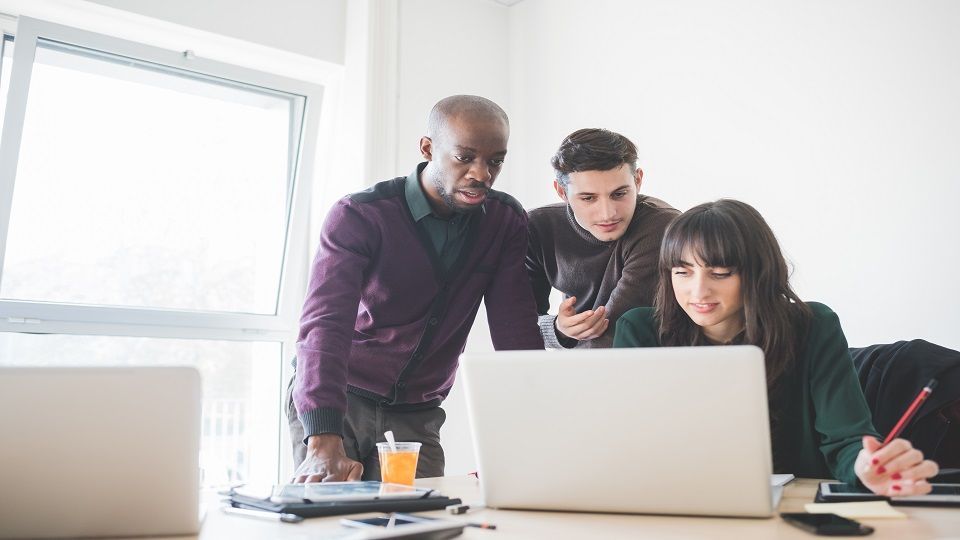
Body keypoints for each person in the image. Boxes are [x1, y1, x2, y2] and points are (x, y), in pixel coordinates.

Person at [287, 95, 544, 483]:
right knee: (333, 523)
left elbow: (515, 329)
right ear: (428, 148)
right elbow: (324, 325)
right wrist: (323, 439)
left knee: (420, 523)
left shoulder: (505, 222)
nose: (482, 174)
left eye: (495, 161)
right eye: (465, 157)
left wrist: (536, 425)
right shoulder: (360, 215)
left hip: (417, 414)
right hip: (339, 400)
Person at [613, 199, 939, 495]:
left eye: (720, 272)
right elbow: (628, 443)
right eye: (682, 272)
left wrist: (867, 466)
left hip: (791, 506)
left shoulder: (813, 326)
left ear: (757, 273)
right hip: (673, 499)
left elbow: (846, 440)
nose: (698, 290)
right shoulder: (641, 330)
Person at [526, 128, 678, 349]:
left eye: (619, 194)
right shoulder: (537, 227)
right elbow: (517, 324)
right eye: (588, 198)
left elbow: (611, 332)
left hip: (645, 363)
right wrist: (558, 329)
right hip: (585, 368)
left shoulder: (661, 227)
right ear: (561, 192)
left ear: (638, 181)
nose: (608, 213)